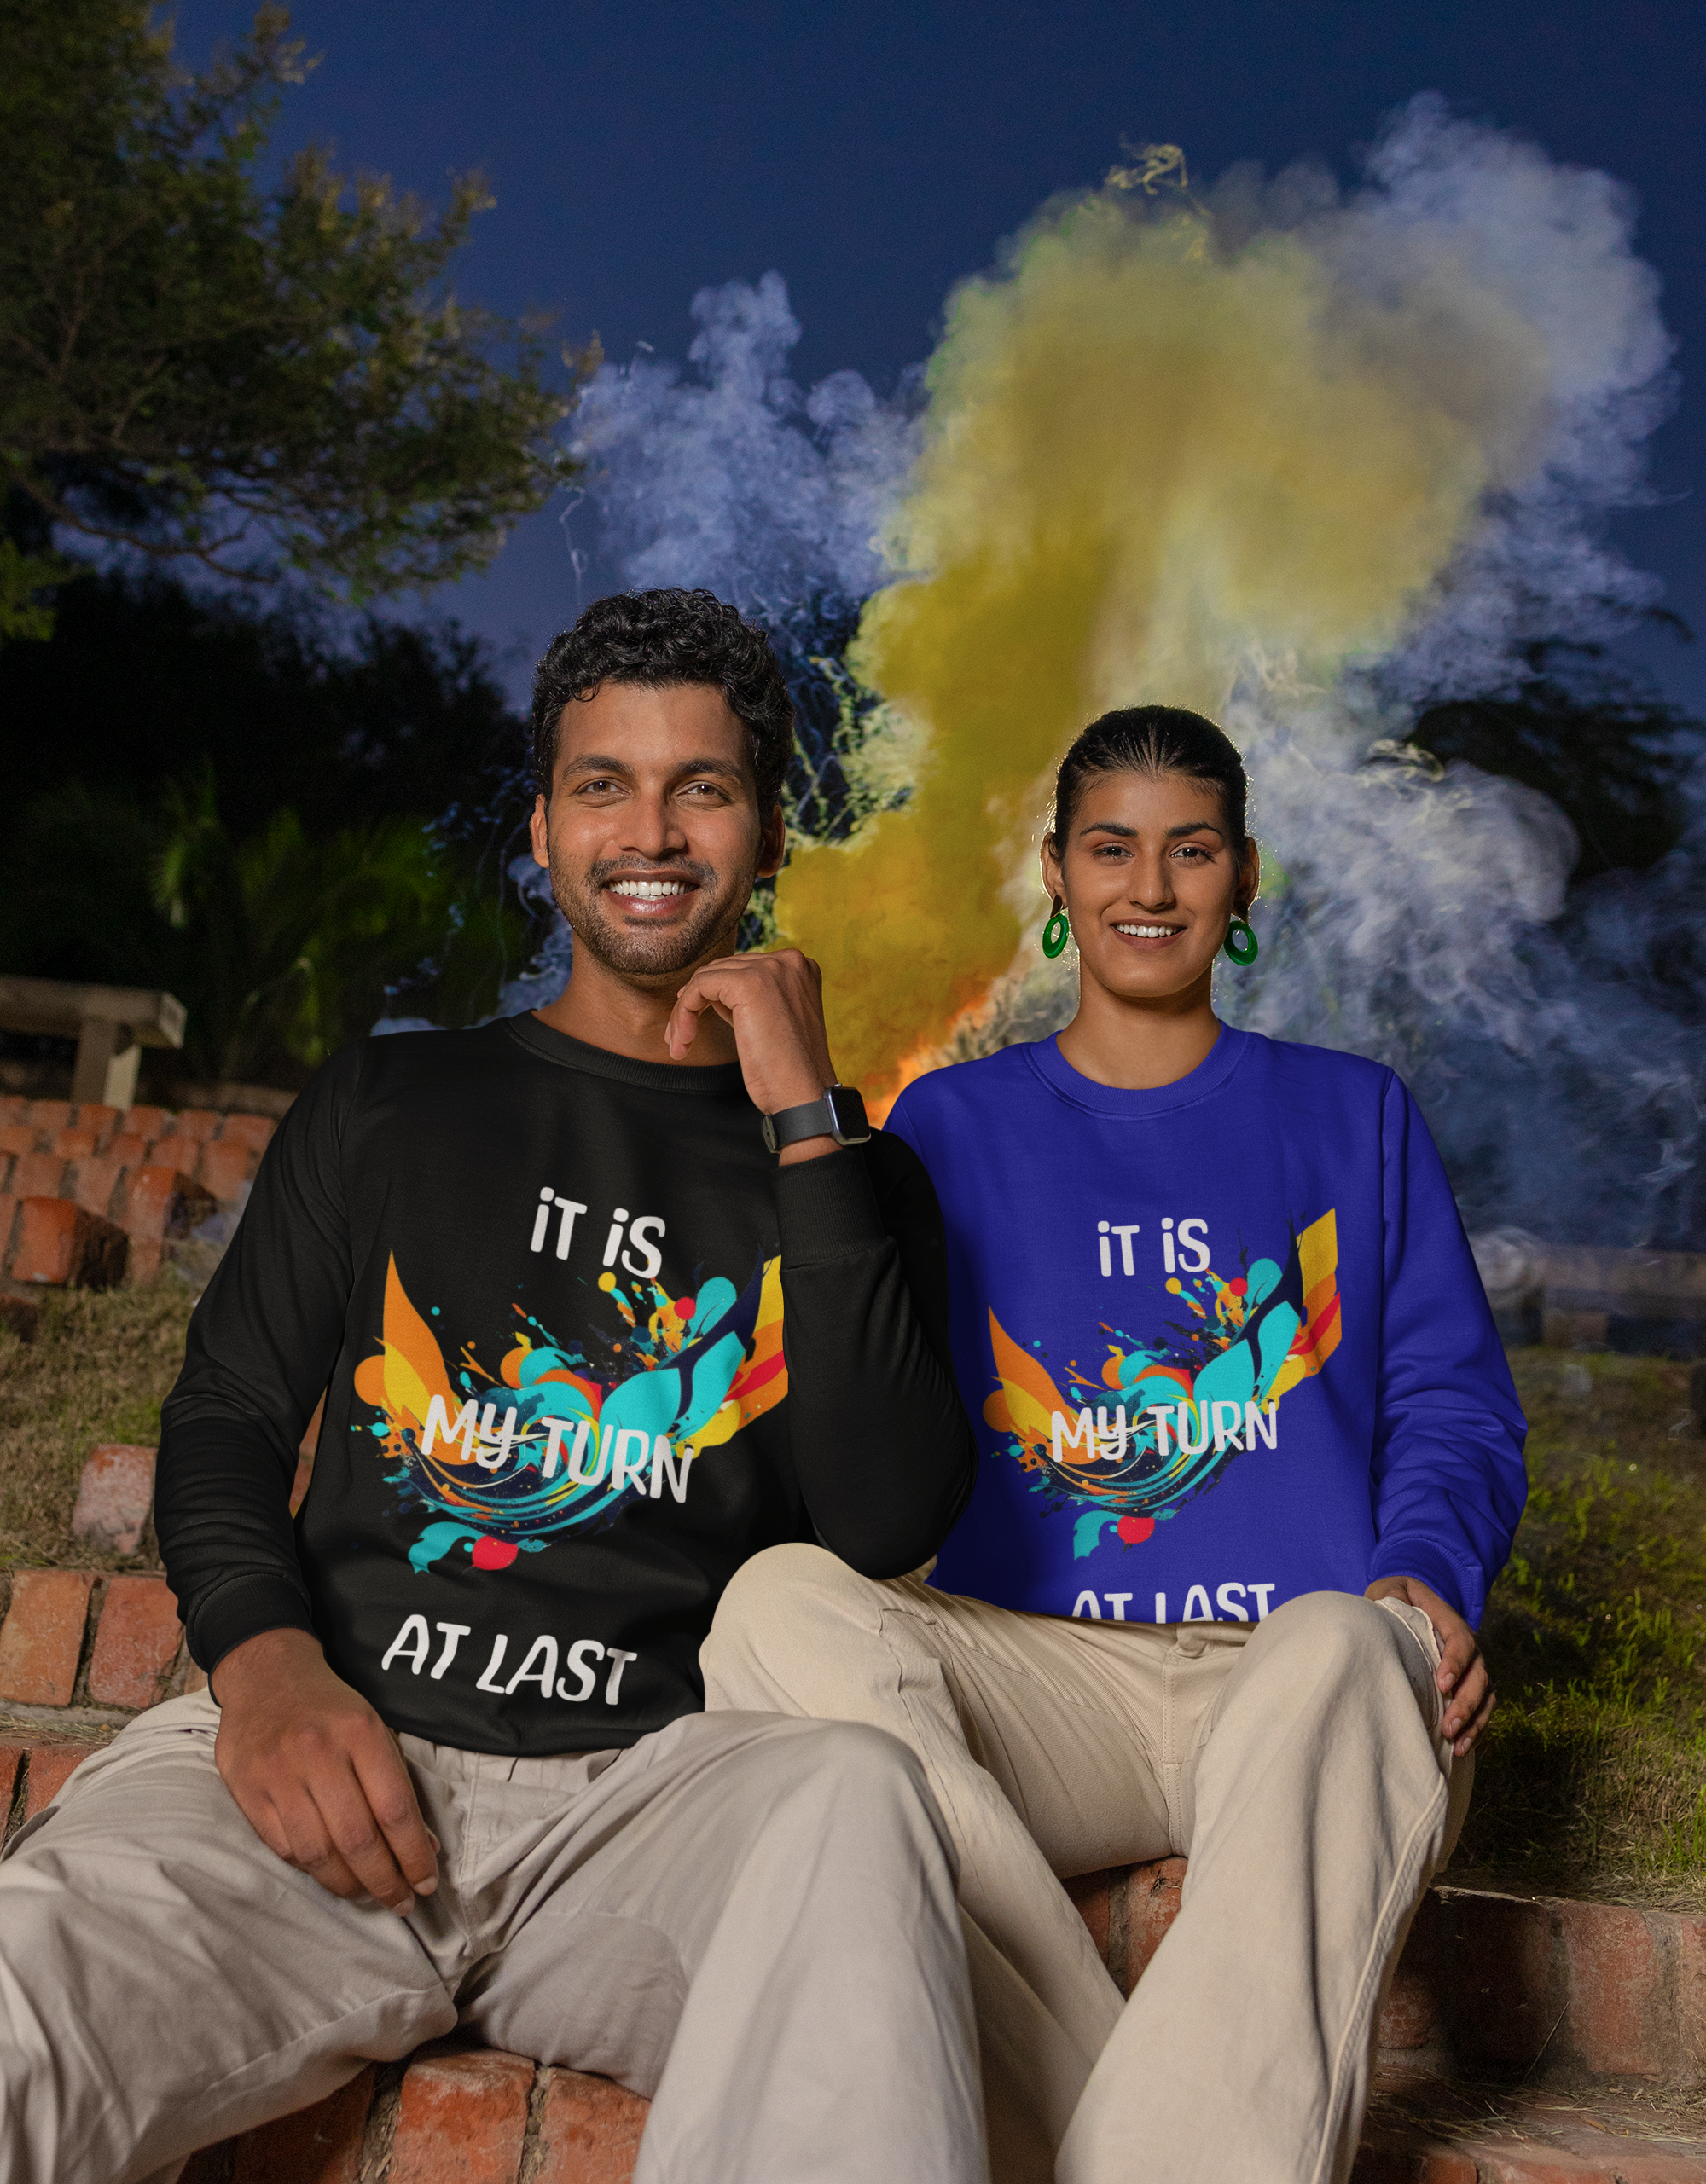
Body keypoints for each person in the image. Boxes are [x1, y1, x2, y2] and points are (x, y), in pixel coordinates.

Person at [0, 588, 986, 2184]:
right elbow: (230, 1418)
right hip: (327, 1768)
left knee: (855, 1796)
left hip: (644, 1811)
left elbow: (886, 1518)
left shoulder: (851, 1178)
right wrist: (266, 1675)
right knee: (19, 1994)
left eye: (703, 787)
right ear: (543, 829)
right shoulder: (396, 1097)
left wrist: (810, 1118)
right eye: (604, 784)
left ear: (769, 834)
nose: (649, 830)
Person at [702, 703, 1529, 2184]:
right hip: (1042, 1680)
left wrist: (1424, 1573)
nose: (1151, 887)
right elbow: (875, 1414)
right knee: (775, 1612)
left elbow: (1455, 1401)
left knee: (1348, 1651)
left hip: (1299, 1685)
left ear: (1246, 879)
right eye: (1112, 849)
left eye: (1191, 850)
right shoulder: (950, 1123)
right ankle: (1127, 2129)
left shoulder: (1357, 1114)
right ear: (1059, 878)